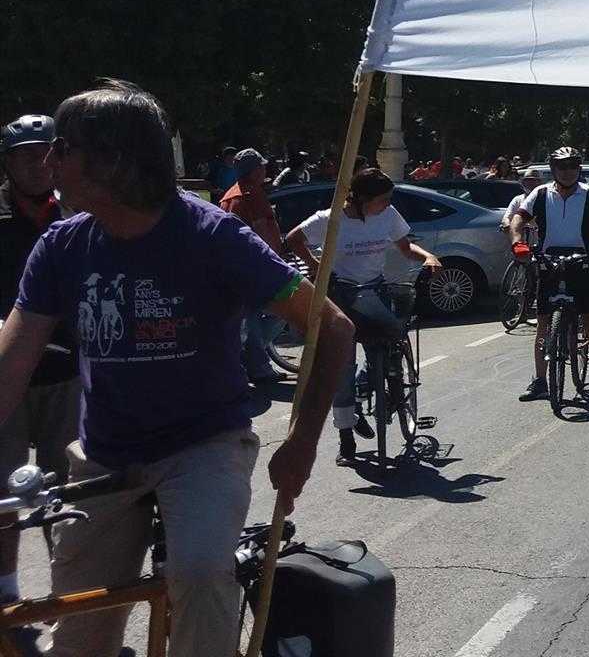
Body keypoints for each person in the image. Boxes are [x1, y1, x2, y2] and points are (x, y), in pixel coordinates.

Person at [0, 81, 353, 656]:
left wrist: (302, 443)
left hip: (202, 447)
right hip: (105, 454)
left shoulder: (215, 236)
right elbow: (10, 366)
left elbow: (332, 326)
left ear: (112, 161)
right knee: (80, 627)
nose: (47, 160)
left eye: (62, 146)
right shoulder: (61, 246)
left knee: (197, 570)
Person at [285, 168, 442, 462]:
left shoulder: (387, 214)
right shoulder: (330, 220)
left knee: (386, 345)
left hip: (375, 289)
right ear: (360, 199)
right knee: (341, 369)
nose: (387, 203)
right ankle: (346, 436)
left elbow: (406, 247)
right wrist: (315, 263)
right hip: (340, 295)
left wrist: (427, 256)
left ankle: (374, 383)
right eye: (381, 199)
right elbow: (294, 238)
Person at [0, 115, 81, 629]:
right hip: (7, 375)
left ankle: (70, 595)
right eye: (25, 154)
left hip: (67, 373)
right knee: (3, 492)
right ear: (6, 163)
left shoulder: (75, 215)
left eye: (45, 152)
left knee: (69, 491)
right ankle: (6, 597)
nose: (37, 162)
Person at [508, 148, 589, 401]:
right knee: (544, 323)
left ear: (579, 168)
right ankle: (540, 381)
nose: (567, 171)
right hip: (549, 261)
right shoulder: (540, 194)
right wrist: (517, 241)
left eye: (572, 166)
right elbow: (519, 218)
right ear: (553, 169)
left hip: (581, 261)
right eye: (562, 166)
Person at [218, 149, 289, 384]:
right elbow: (261, 231)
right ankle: (257, 363)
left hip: (233, 267)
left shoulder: (229, 195)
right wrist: (275, 263)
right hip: (254, 264)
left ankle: (253, 359)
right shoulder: (251, 194)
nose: (266, 170)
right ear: (255, 170)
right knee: (283, 307)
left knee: (249, 316)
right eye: (262, 166)